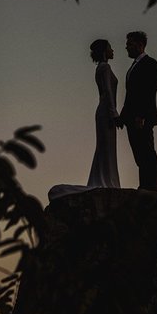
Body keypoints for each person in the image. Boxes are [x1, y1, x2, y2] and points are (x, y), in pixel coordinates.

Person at [48, 39, 121, 201]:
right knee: (105, 148)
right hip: (106, 112)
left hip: (104, 112)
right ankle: (106, 181)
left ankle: (106, 179)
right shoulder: (105, 67)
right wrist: (114, 113)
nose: (113, 50)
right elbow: (108, 93)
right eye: (110, 48)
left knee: (105, 148)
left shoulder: (101, 68)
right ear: (104, 51)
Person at [118, 30, 157, 191]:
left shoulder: (150, 64)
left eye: (130, 44)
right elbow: (131, 95)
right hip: (131, 118)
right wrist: (123, 117)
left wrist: (141, 115)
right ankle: (144, 185)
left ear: (140, 44)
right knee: (139, 154)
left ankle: (150, 187)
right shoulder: (134, 66)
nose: (127, 47)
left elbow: (149, 91)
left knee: (147, 152)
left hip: (142, 118)